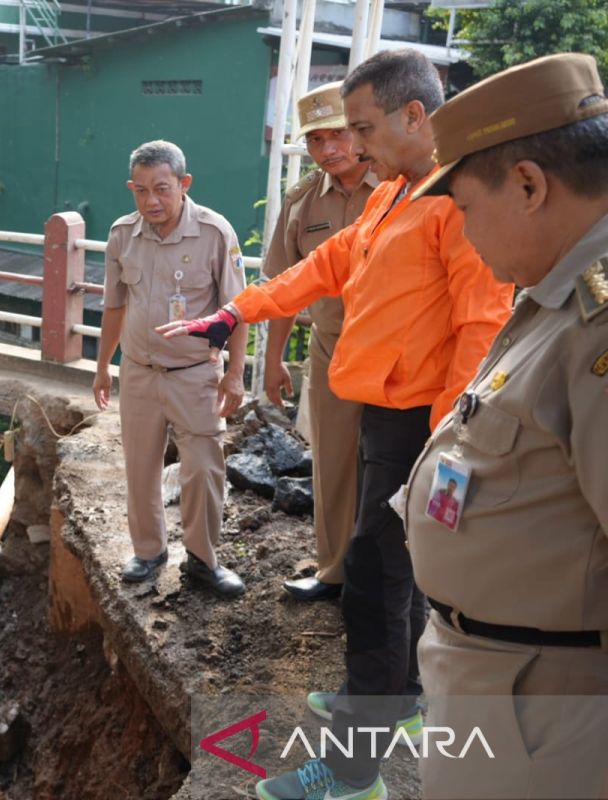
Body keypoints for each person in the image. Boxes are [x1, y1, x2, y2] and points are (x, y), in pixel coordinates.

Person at [159, 50, 514, 799]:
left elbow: (480, 331)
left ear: (415, 116)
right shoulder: (396, 193)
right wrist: (234, 315)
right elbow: (325, 265)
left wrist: (450, 444)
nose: (352, 144)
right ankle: (405, 699)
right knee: (400, 572)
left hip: (423, 424)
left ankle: (354, 773)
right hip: (385, 414)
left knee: (375, 586)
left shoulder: (460, 202)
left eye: (363, 127)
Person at [403, 53, 608, 799]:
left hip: (544, 715)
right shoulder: (555, 297)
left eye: (461, 206)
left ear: (528, 184)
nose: (461, 231)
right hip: (499, 683)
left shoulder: (597, 326)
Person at [92, 139, 249, 597]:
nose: (151, 201)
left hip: (194, 374)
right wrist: (104, 366)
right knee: (140, 467)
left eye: (161, 189)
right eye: (140, 191)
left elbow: (238, 311)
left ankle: (202, 560)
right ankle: (149, 551)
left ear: (184, 184)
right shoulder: (123, 234)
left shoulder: (215, 234)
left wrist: (234, 373)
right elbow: (114, 306)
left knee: (202, 468)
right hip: (139, 372)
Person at [263, 81, 380, 602]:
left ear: (358, 131)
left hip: (400, 351)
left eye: (337, 134)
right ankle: (335, 571)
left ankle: (394, 576)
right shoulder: (302, 201)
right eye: (315, 140)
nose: (328, 149)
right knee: (333, 462)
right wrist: (272, 361)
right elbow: (283, 289)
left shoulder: (403, 188)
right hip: (332, 347)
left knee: (396, 462)